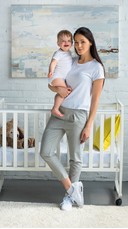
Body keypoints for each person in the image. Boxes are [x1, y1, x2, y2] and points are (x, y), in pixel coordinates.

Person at [40, 27, 105, 211]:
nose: (78, 45)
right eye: (76, 42)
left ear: (90, 42)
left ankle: (68, 197)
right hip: (60, 112)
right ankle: (72, 189)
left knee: (75, 158)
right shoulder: (70, 60)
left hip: (79, 116)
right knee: (46, 151)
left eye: (82, 42)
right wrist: (56, 90)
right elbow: (53, 83)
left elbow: (95, 100)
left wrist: (89, 125)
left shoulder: (96, 68)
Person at [48, 30, 73, 117]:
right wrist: (51, 71)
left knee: (62, 93)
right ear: (58, 43)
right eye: (63, 41)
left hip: (61, 78)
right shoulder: (58, 53)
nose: (66, 43)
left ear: (72, 43)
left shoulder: (69, 53)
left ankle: (56, 107)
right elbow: (53, 62)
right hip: (57, 77)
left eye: (69, 41)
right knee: (64, 92)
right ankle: (55, 108)